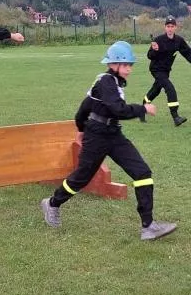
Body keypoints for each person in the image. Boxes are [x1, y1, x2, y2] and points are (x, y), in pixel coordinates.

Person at [41, 41, 177, 241]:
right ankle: (52, 203)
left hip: (113, 134)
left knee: (142, 172)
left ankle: (148, 227)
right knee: (81, 178)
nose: (130, 69)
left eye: (131, 65)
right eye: (126, 65)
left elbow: (85, 107)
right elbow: (117, 109)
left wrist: (80, 127)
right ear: (114, 65)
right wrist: (143, 109)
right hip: (96, 136)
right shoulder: (105, 81)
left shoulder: (114, 83)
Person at [141, 16, 191, 126]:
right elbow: (150, 56)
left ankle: (142, 108)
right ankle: (175, 116)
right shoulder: (158, 40)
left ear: (175, 27)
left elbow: (188, 53)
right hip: (156, 69)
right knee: (170, 88)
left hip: (166, 71)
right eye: (168, 26)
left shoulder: (179, 41)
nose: (170, 28)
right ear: (165, 27)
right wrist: (154, 50)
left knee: (156, 90)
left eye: (172, 26)